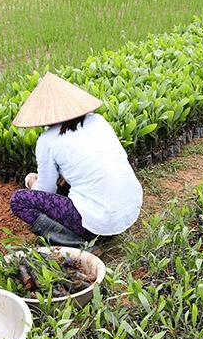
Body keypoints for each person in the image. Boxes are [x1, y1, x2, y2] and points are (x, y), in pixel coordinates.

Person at [8, 73, 143, 247]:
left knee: (19, 200)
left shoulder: (47, 140)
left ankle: (78, 243)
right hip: (131, 209)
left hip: (99, 222)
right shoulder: (98, 121)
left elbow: (47, 189)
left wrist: (31, 182)